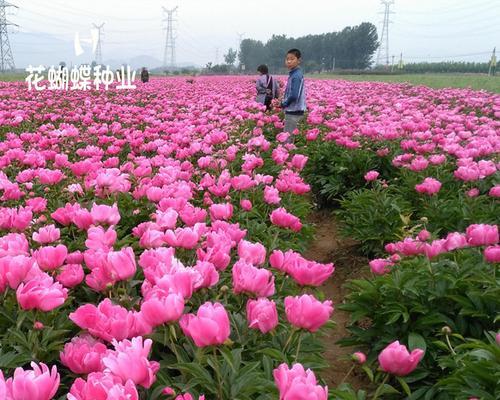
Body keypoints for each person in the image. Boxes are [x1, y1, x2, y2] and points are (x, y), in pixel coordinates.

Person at [280, 49, 306, 141]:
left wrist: (284, 103)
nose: (289, 61)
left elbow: (294, 95)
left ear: (299, 60)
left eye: (292, 59)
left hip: (293, 111)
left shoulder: (296, 76)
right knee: (291, 138)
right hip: (294, 110)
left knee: (288, 140)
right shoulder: (294, 74)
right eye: (287, 59)